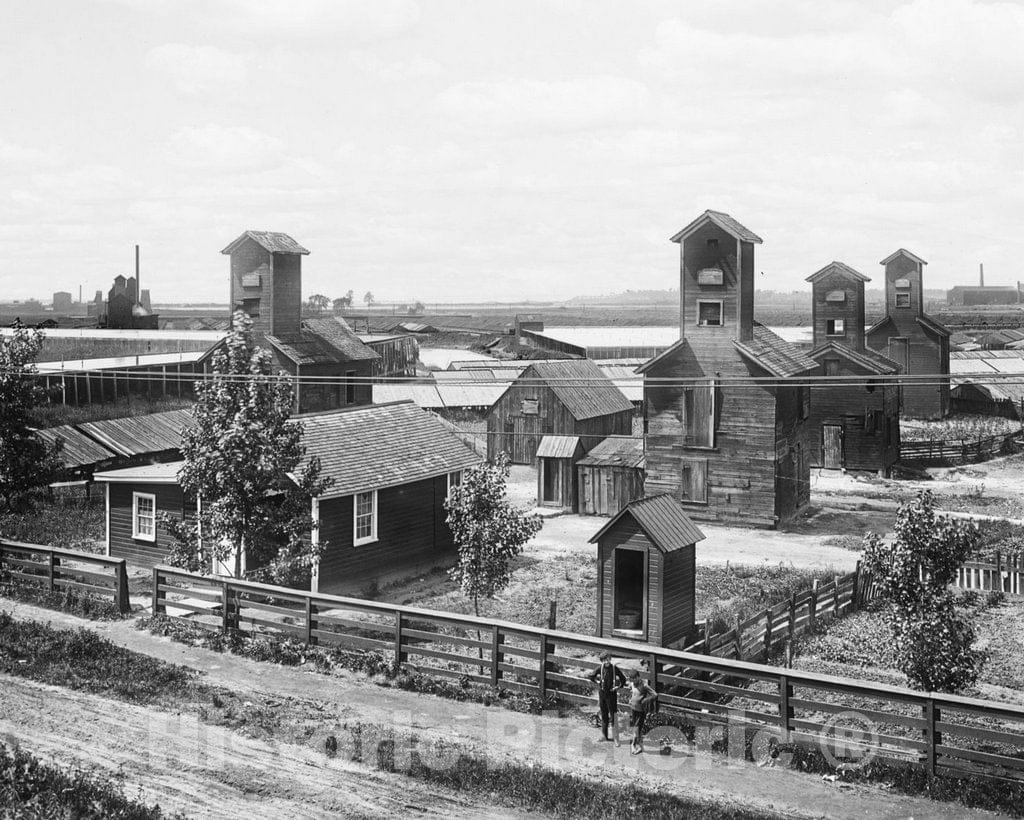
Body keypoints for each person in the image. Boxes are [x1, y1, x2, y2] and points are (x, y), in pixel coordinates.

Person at [587, 650, 626, 745]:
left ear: (610, 659)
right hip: (602, 694)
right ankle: (604, 736)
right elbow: (591, 676)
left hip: (611, 695)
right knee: (604, 715)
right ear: (602, 660)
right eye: (604, 660)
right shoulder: (600, 668)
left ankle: (616, 738)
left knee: (613, 716)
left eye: (608, 659)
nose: (606, 661)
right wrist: (597, 682)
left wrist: (618, 687)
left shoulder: (614, 668)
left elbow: (623, 679)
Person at [627, 669, 658, 755]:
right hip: (633, 708)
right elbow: (631, 692)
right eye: (631, 680)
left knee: (637, 727)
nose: (632, 681)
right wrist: (630, 699)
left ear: (638, 677)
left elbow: (655, 694)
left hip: (641, 710)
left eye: (633, 679)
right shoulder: (632, 684)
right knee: (636, 727)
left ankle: (633, 745)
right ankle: (640, 746)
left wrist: (646, 700)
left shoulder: (644, 685)